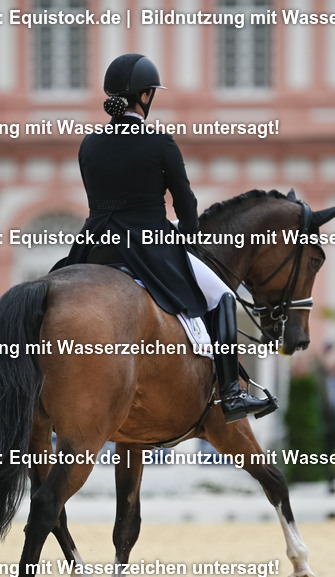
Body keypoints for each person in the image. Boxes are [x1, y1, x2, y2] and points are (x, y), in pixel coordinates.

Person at [52, 53, 274, 422]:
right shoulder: (158, 142)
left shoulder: (89, 143)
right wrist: (188, 238)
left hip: (94, 248)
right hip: (148, 246)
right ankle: (232, 395)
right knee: (221, 295)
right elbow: (185, 201)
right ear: (144, 97)